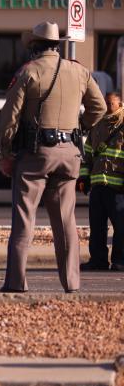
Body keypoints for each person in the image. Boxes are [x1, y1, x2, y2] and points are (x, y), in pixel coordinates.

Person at [0, 21, 105, 293]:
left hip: (35, 154)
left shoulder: (28, 72)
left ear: (33, 46)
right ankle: (71, 283)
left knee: (24, 219)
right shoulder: (79, 71)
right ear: (57, 44)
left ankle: (16, 283)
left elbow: (9, 118)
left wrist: (5, 152)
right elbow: (99, 107)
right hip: (69, 154)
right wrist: (78, 128)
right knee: (66, 221)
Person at [79, 91, 124, 272]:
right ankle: (98, 260)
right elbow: (87, 153)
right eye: (105, 103)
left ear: (120, 105)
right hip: (98, 185)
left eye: (110, 103)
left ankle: (120, 260)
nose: (106, 106)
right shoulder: (97, 126)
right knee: (97, 227)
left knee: (121, 227)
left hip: (118, 186)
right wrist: (84, 177)